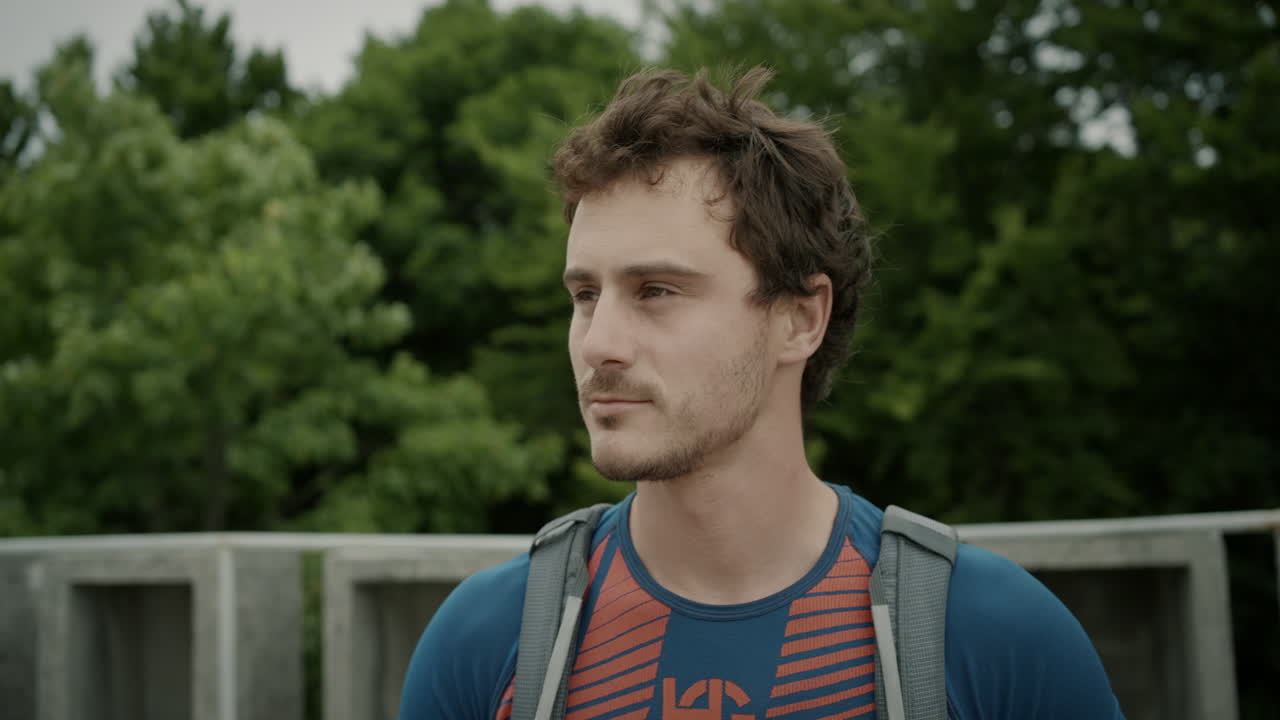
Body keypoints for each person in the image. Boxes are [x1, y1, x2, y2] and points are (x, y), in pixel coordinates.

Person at [398, 67, 1123, 720]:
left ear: (799, 318)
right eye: (585, 294)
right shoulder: (490, 642)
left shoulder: (988, 636)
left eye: (656, 291)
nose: (596, 343)